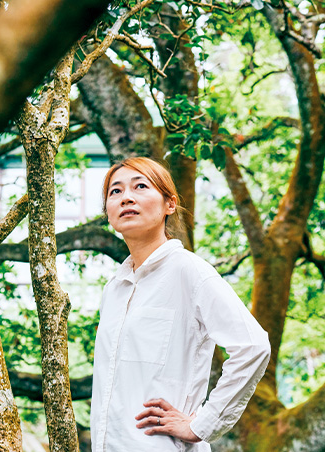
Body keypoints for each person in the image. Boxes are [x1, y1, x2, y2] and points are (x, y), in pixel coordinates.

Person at [89, 157, 271, 451]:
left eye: (140, 186)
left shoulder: (189, 272)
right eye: (116, 191)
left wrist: (202, 425)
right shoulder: (114, 289)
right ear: (107, 212)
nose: (127, 198)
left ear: (169, 204)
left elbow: (252, 346)